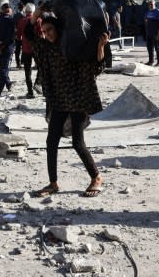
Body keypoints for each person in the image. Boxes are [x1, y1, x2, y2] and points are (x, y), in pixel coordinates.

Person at [29, 12, 109, 199]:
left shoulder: (72, 47)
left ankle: (96, 177)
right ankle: (53, 183)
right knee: (51, 141)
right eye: (44, 31)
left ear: (58, 28)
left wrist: (100, 46)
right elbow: (27, 33)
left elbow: (95, 67)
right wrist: (37, 14)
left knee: (77, 142)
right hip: (58, 100)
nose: (46, 34)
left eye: (49, 30)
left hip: (78, 99)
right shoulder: (46, 48)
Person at [17, 3, 37, 98]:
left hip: (25, 49)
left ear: (26, 11)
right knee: (42, 69)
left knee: (27, 72)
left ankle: (30, 92)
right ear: (33, 11)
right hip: (37, 49)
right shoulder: (38, 20)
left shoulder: (21, 21)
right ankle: (39, 84)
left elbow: (18, 36)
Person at [144, 0, 159, 66]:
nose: (150, 5)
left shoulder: (158, 11)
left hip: (156, 33)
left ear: (155, 4)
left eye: (151, 4)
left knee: (158, 48)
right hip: (149, 33)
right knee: (149, 48)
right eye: (149, 4)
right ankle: (151, 61)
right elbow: (146, 20)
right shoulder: (148, 12)